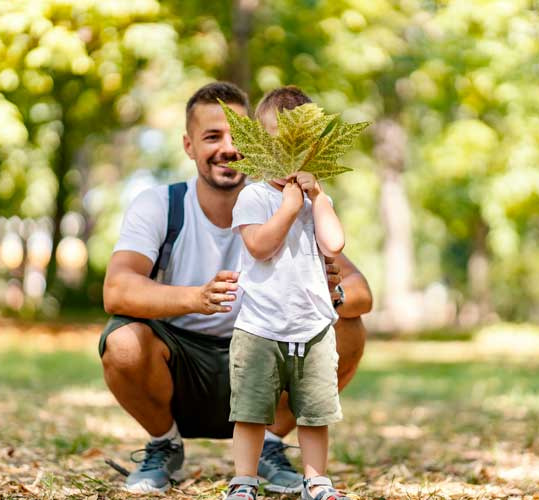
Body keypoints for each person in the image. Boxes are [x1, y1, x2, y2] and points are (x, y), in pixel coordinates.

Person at [100, 81, 372, 494]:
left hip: (271, 351)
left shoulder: (292, 203)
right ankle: (164, 443)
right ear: (189, 146)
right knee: (122, 341)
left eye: (238, 135)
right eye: (212, 136)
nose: (229, 147)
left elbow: (361, 292)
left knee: (348, 328)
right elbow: (116, 291)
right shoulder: (161, 205)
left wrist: (329, 292)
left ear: (260, 141)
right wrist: (196, 298)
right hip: (182, 366)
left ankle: (272, 446)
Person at [223, 86, 352, 500]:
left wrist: (316, 198)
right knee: (251, 411)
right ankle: (244, 480)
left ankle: (316, 480)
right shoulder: (254, 196)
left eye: (299, 146)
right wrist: (288, 209)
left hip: (313, 326)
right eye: (277, 143)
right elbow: (259, 245)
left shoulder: (318, 201)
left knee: (315, 413)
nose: (288, 156)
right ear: (259, 147)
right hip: (260, 326)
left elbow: (334, 244)